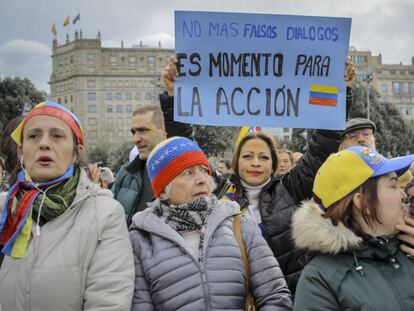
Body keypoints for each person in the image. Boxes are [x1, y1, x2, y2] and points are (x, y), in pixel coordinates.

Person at [160, 55, 356, 294]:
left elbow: (322, 146)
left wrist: (340, 92)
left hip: (288, 296)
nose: (255, 163)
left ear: (273, 163)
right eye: (247, 156)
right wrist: (173, 96)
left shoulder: (291, 188)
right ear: (236, 161)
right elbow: (184, 149)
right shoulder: (217, 189)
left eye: (263, 157)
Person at [129, 137, 292, 310]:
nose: (202, 180)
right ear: (162, 191)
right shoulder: (141, 239)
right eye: (188, 173)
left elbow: (276, 297)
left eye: (204, 170)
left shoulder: (240, 224)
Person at [0, 101, 134, 310]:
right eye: (33, 136)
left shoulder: (105, 214)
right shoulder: (6, 210)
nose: (44, 143)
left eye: (57, 136)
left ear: (76, 153)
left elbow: (108, 302)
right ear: (20, 151)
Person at [292, 146, 414, 310]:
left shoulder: (408, 250)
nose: (404, 195)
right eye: (393, 186)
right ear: (362, 202)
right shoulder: (319, 280)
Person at [111, 105, 192, 226]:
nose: (135, 139)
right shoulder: (125, 174)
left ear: (164, 132)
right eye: (134, 132)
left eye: (143, 130)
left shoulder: (188, 173)